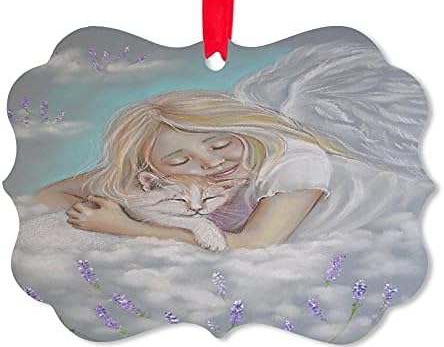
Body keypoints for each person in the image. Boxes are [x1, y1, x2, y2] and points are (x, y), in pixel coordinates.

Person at [34, 90, 343, 250]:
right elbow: (50, 194)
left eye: (220, 144)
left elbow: (253, 245)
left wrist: (122, 226)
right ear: (151, 170)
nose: (211, 163)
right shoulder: (156, 178)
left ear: (244, 130)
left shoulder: (294, 163)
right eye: (180, 162)